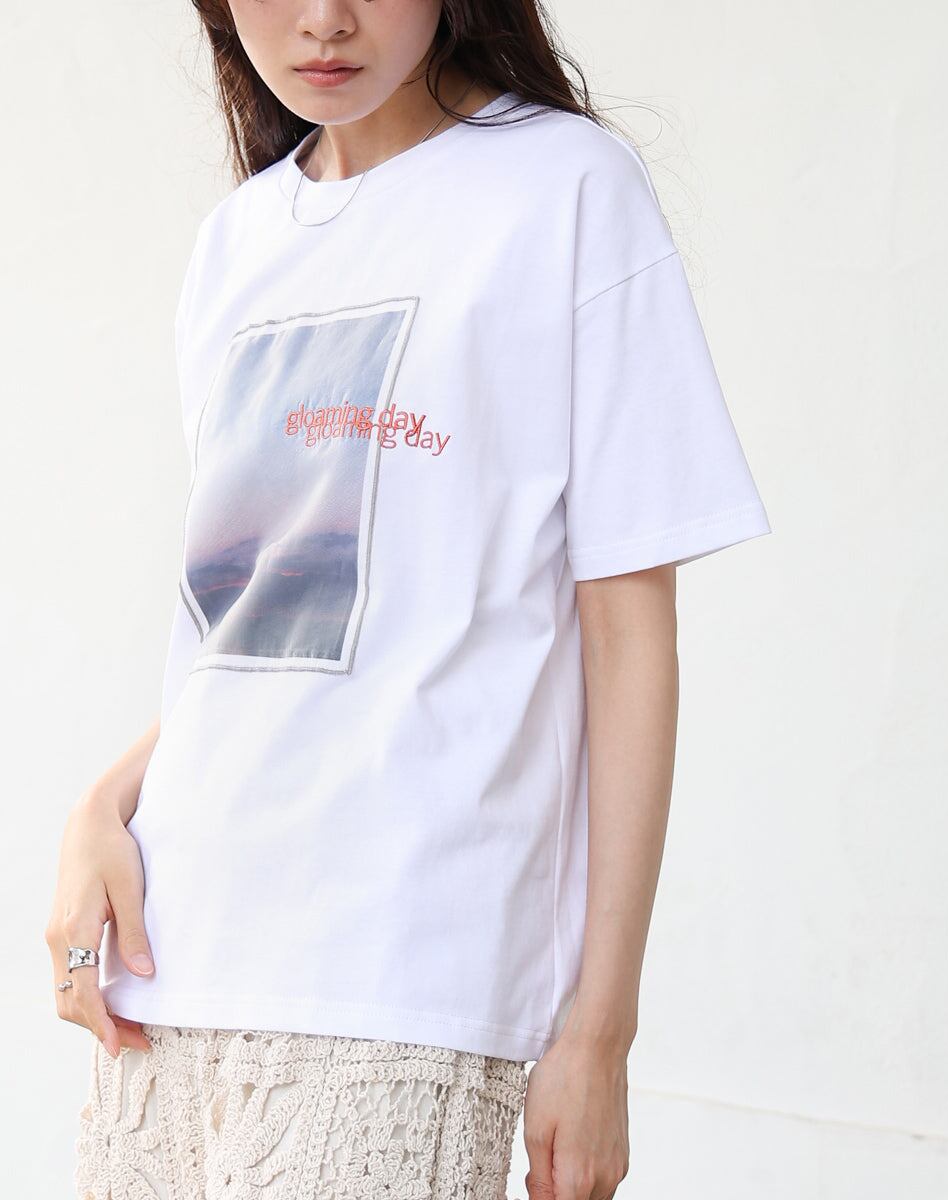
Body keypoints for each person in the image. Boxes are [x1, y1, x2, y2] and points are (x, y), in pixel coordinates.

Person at [45, 1, 771, 1197]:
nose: (324, 19)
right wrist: (101, 806)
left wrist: (600, 1030)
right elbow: (265, 630)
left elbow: (628, 631)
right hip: (170, 964)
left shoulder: (564, 191)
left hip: (400, 981)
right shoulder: (236, 244)